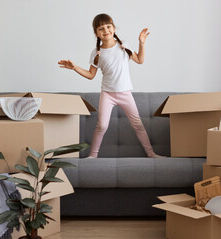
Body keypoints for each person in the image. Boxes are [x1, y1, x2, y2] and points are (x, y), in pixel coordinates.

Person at [58, 13, 163, 158]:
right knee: (102, 126)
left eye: (108, 27)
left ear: (114, 28)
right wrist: (75, 67)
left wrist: (142, 43)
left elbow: (139, 60)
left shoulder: (123, 46)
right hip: (107, 94)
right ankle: (93, 156)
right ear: (96, 33)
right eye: (101, 28)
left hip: (125, 93)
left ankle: (151, 154)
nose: (106, 30)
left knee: (138, 125)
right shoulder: (96, 53)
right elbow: (91, 75)